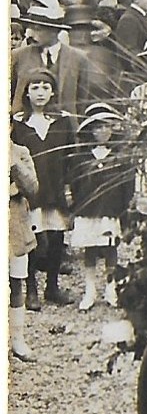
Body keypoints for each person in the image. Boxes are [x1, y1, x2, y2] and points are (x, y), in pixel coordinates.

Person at [12, 69, 76, 310]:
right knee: (33, 243)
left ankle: (52, 286)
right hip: (30, 193)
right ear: (26, 92)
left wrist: (70, 187)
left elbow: (71, 156)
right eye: (35, 87)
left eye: (45, 87)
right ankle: (31, 290)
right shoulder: (18, 123)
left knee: (57, 237)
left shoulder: (62, 121)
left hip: (55, 189)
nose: (40, 92)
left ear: (53, 92)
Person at [67, 102, 132, 311]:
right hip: (88, 212)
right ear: (89, 130)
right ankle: (90, 289)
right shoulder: (81, 157)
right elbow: (75, 185)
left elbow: (127, 186)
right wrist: (77, 208)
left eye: (107, 126)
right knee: (90, 249)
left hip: (110, 211)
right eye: (97, 127)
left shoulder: (120, 157)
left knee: (110, 247)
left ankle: (111, 288)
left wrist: (124, 210)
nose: (102, 131)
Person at [9, 142, 40, 360]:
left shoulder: (20, 152)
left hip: (15, 228)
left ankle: (18, 340)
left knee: (16, 283)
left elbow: (32, 188)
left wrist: (13, 165)